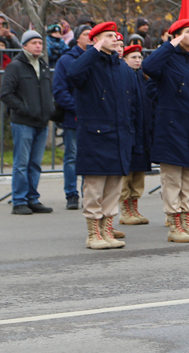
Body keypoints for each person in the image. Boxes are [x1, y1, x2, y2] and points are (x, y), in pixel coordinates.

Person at [142, 18, 189, 243]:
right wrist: (170, 44)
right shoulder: (166, 61)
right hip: (171, 130)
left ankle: (186, 221)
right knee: (172, 180)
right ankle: (174, 223)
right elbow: (148, 67)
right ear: (176, 36)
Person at [67, 22, 136, 249]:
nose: (115, 38)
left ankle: (107, 230)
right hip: (95, 136)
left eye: (116, 36)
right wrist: (94, 50)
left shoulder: (121, 67)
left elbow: (131, 103)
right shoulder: (89, 63)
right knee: (94, 188)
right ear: (96, 40)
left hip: (119, 136)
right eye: (108, 36)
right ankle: (93, 234)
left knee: (113, 188)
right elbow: (73, 74)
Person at [1, 30, 56, 215]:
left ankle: (33, 198)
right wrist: (24, 109)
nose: (38, 46)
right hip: (23, 122)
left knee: (35, 164)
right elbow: (6, 93)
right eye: (34, 42)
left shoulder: (43, 65)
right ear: (24, 45)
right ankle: (19, 201)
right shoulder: (16, 66)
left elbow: (48, 92)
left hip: (41, 122)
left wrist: (50, 110)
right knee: (21, 163)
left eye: (40, 42)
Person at [52, 24, 92, 210]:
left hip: (94, 119)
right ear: (77, 38)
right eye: (86, 34)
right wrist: (79, 109)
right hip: (74, 118)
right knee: (72, 157)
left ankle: (90, 194)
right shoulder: (66, 60)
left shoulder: (97, 59)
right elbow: (60, 90)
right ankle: (71, 194)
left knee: (91, 156)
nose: (91, 37)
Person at [119, 45, 152, 226]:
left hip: (142, 131)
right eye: (133, 57)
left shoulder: (143, 77)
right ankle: (125, 210)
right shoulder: (124, 77)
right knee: (127, 173)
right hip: (130, 131)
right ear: (124, 59)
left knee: (139, 173)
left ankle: (134, 206)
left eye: (140, 57)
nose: (138, 60)